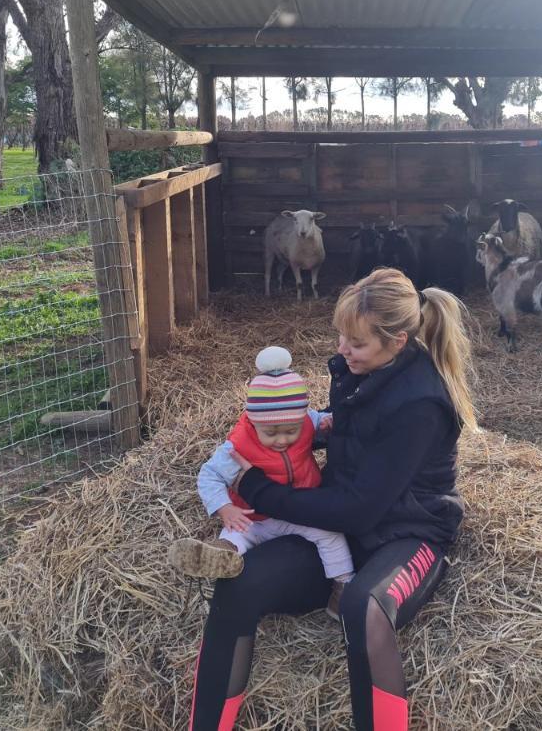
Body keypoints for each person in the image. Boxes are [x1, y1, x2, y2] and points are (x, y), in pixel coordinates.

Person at [187, 268, 477, 731]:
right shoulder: (361, 373)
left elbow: (359, 508)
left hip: (410, 533)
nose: (342, 350)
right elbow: (345, 434)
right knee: (238, 585)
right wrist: (273, 441)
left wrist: (255, 487)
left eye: (356, 343)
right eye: (341, 336)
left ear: (397, 342)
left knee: (363, 607)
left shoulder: (421, 404)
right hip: (344, 532)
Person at [167, 346, 354, 616]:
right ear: (254, 424)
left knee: (331, 534)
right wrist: (224, 508)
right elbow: (209, 475)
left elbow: (320, 419)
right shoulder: (239, 445)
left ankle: (343, 589)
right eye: (271, 433)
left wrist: (328, 423)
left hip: (299, 511)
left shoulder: (305, 423)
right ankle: (220, 555)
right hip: (253, 517)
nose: (282, 439)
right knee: (236, 533)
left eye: (291, 430)